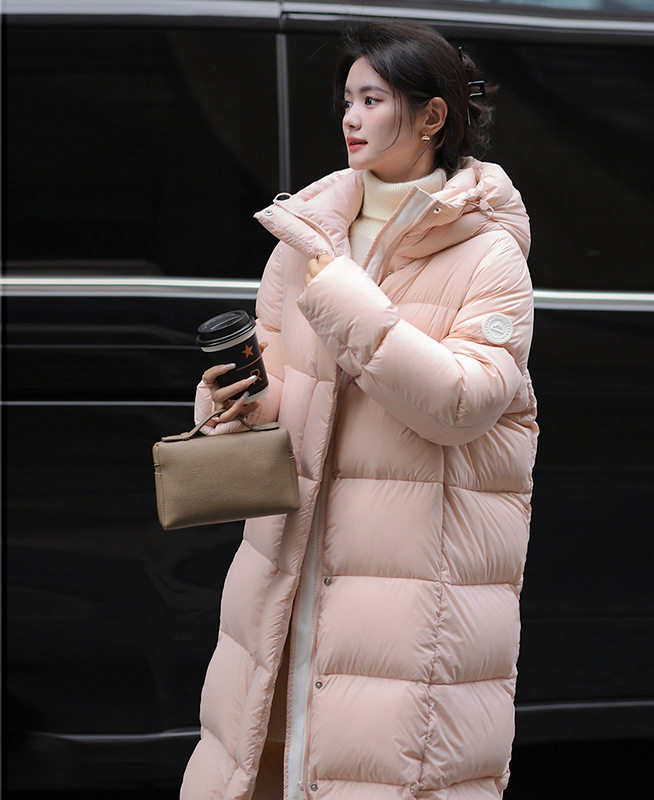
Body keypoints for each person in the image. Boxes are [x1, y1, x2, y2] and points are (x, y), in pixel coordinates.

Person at [181, 20, 538, 800]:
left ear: (433, 116)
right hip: (287, 569)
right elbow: (286, 401)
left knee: (379, 771)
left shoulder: (488, 254)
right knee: (262, 762)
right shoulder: (306, 238)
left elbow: (463, 404)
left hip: (411, 585)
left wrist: (344, 295)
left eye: (372, 100)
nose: (350, 117)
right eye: (347, 99)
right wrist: (238, 401)